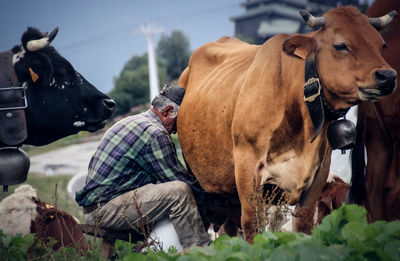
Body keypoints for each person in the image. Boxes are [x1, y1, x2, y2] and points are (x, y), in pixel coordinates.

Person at [75, 84, 210, 248]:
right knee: (179, 192)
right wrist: (214, 202)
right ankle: (201, 252)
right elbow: (179, 179)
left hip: (97, 206)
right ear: (167, 111)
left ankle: (163, 251)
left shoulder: (133, 120)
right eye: (180, 121)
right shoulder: (156, 134)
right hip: (104, 212)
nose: (178, 130)